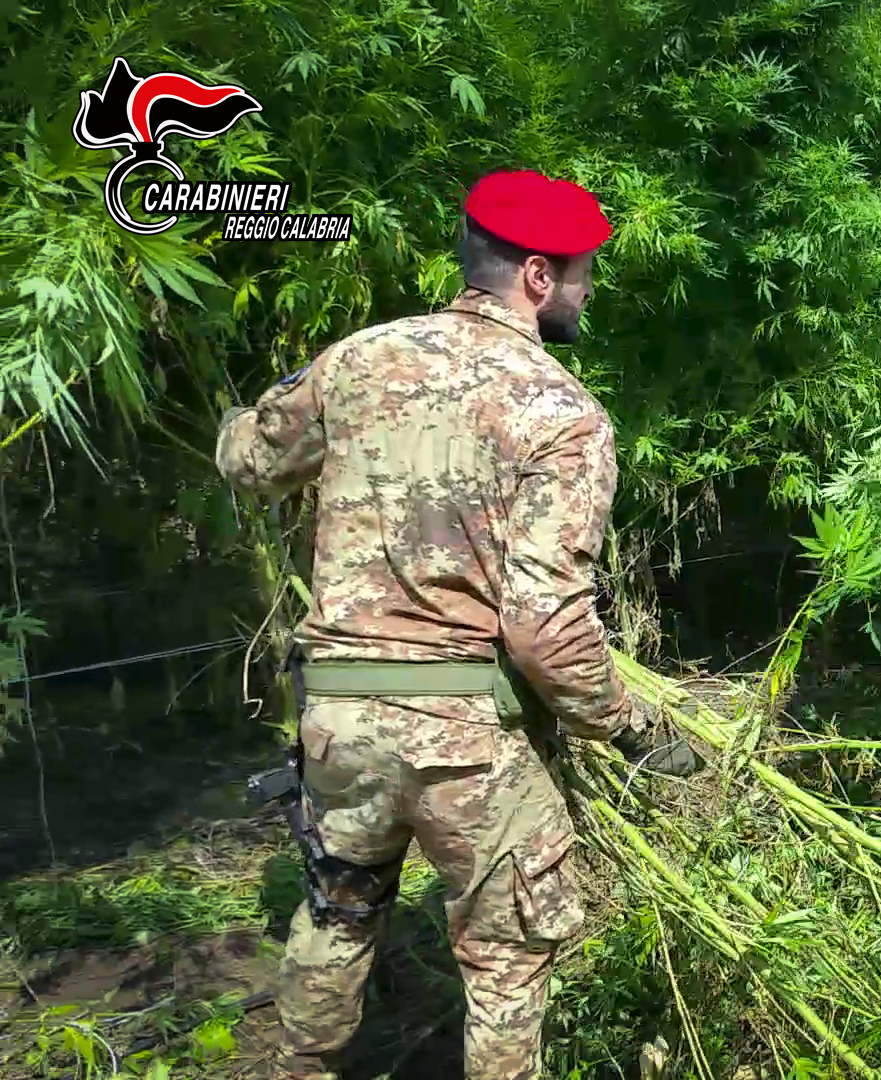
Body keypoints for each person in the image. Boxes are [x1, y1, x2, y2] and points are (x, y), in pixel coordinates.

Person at [215, 169, 698, 1080]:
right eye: (584, 274)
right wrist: (629, 727)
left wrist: (246, 417)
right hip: (469, 743)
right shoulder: (562, 413)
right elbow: (545, 624)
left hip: (342, 727)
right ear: (539, 277)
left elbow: (249, 462)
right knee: (508, 957)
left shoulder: (355, 361)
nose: (590, 293)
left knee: (335, 915)